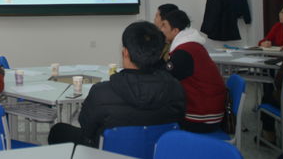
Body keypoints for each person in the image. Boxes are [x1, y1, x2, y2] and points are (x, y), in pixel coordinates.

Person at [48, 21, 185, 147]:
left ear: (125, 52)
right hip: (155, 150)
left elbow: (86, 128)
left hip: (107, 152)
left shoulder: (102, 92)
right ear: (159, 54)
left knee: (58, 131)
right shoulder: (175, 88)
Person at [159, 9, 226, 133]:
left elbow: (163, 78)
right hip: (210, 109)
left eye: (164, 26)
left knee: (155, 114)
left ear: (175, 31)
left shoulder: (183, 52)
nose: (161, 29)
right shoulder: (190, 45)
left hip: (203, 117)